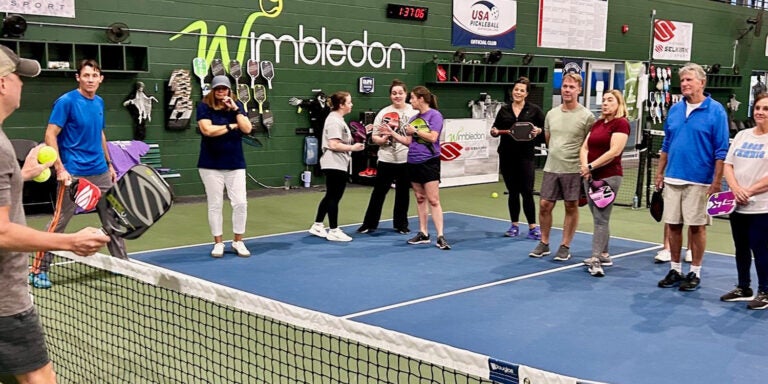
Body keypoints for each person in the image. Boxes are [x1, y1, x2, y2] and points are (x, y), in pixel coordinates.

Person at [0, 45, 110, 384]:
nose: (23, 84)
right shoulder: (2, 150)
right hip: (6, 303)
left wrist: (25, 175)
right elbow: (2, 232)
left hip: (97, 169)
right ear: (3, 83)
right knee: (41, 378)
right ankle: (42, 268)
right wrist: (70, 243)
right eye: (19, 76)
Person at [29, 59, 126, 289]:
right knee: (59, 222)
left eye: (94, 75)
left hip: (100, 171)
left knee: (113, 219)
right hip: (73, 174)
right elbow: (50, 135)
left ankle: (122, 263)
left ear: (100, 79)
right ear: (78, 78)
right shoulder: (66, 102)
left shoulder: (99, 102)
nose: (90, 79)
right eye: (86, 75)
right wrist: (60, 168)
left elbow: (100, 133)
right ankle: (38, 270)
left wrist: (110, 163)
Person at [655, 62, 730, 291]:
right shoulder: (676, 109)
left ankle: (694, 272)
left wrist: (717, 182)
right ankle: (675, 269)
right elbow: (666, 143)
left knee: (697, 227)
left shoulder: (716, 111)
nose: (684, 84)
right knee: (673, 225)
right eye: (683, 80)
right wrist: (660, 173)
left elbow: (721, 150)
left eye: (689, 80)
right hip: (673, 178)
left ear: (702, 82)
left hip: (700, 180)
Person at [529, 72, 595, 261]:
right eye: (565, 86)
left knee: (570, 205)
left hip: (574, 169)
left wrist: (586, 167)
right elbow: (549, 140)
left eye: (572, 87)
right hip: (551, 167)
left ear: (579, 90)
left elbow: (588, 145)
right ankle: (544, 242)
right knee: (544, 205)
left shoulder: (587, 116)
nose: (567, 90)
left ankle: (565, 245)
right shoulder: (551, 114)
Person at [380, 86, 450, 250]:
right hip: (412, 161)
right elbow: (408, 142)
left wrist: (416, 131)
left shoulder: (435, 115)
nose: (410, 101)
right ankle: (423, 233)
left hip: (429, 162)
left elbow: (433, 137)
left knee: (433, 200)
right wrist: (392, 133)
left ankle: (440, 236)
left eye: (412, 98)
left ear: (421, 99)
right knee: (419, 198)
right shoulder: (413, 119)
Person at [196, 75, 253, 258]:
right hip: (210, 165)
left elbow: (247, 128)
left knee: (241, 203)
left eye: (224, 88)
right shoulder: (204, 106)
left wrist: (236, 110)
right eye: (218, 88)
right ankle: (218, 243)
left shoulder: (237, 106)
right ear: (213, 90)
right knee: (215, 204)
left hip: (235, 164)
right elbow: (207, 130)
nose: (221, 91)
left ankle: (238, 241)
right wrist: (230, 126)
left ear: (229, 90)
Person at [720, 92, 768, 309]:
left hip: (762, 207)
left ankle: (765, 292)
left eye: (766, 109)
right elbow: (728, 164)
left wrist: (748, 190)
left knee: (761, 250)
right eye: (758, 108)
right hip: (737, 204)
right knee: (741, 248)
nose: (760, 112)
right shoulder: (742, 135)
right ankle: (743, 287)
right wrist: (736, 189)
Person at [578, 90, 630, 277]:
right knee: (598, 216)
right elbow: (585, 146)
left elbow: (614, 151)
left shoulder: (621, 123)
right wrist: (585, 167)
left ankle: (595, 259)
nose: (605, 103)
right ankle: (605, 254)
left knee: (601, 218)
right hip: (590, 176)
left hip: (608, 177)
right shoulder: (598, 123)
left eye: (610, 100)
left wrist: (590, 166)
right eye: (604, 100)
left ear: (619, 104)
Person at [357, 79, 416, 234]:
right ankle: (369, 224)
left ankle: (401, 224)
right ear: (390, 95)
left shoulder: (413, 112)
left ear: (406, 94)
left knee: (403, 194)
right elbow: (375, 137)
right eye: (394, 93)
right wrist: (381, 140)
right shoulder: (383, 112)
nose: (397, 96)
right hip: (386, 159)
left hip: (405, 159)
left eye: (400, 93)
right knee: (378, 193)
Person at [490, 77, 545, 239]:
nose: (518, 92)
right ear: (512, 91)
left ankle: (533, 227)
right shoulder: (504, 110)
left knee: (527, 191)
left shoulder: (534, 110)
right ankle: (514, 225)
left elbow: (544, 129)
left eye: (522, 90)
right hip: (507, 155)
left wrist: (539, 131)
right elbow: (496, 127)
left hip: (526, 156)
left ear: (526, 93)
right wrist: (494, 131)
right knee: (513, 192)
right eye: (516, 89)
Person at [308, 91, 365, 241]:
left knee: (330, 196)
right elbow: (333, 144)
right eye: (349, 102)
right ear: (341, 105)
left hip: (337, 163)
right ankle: (334, 230)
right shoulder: (334, 120)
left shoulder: (338, 119)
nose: (351, 105)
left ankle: (318, 225)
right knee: (334, 196)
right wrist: (353, 148)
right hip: (334, 163)